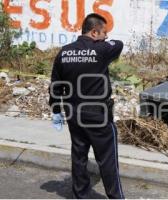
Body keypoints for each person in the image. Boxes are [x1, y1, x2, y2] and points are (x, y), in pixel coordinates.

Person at [49, 13, 124, 199]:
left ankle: (81, 195)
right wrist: (102, 42)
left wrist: (56, 110)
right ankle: (116, 197)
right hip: (97, 115)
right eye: (103, 32)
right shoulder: (101, 51)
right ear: (93, 32)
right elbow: (119, 44)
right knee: (107, 159)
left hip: (73, 114)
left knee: (79, 156)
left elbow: (55, 86)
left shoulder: (64, 52)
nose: (106, 36)